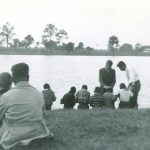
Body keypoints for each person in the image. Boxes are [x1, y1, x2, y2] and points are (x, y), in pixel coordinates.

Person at [0, 63, 52, 149]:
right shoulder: (39, 94)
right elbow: (43, 115)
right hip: (38, 132)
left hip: (13, 137)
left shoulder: (6, 96)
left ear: (13, 79)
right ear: (28, 77)